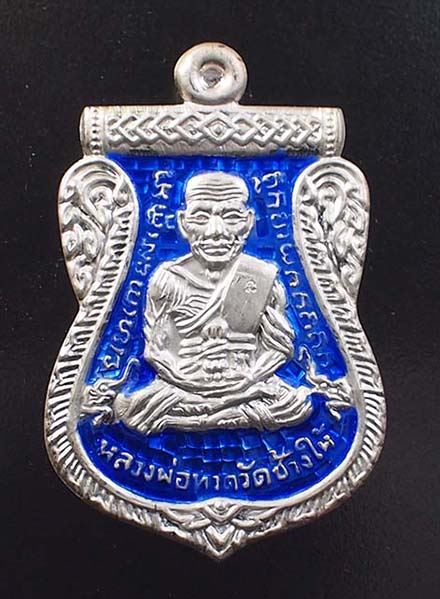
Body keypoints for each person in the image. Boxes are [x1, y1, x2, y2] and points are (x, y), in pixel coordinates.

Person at [108, 172, 315, 433]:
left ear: (249, 222)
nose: (216, 232)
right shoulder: (168, 280)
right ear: (183, 223)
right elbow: (155, 352)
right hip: (182, 387)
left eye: (231, 217)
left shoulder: (262, 277)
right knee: (137, 410)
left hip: (248, 384)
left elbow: (279, 349)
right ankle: (222, 414)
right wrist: (189, 381)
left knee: (295, 405)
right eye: (201, 217)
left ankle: (202, 418)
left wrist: (245, 381)